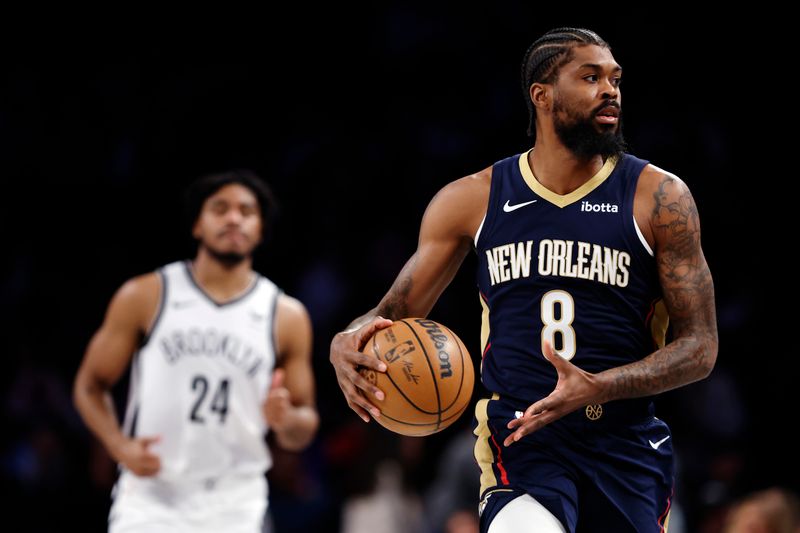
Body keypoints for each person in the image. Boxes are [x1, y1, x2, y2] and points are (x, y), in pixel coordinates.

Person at [330, 27, 718, 533]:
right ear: (542, 95)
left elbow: (700, 347)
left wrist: (598, 386)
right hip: (522, 440)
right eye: (590, 76)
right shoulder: (473, 199)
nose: (611, 90)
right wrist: (347, 338)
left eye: (616, 79)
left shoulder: (659, 197)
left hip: (625, 444)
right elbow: (391, 314)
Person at [73, 170, 319, 532]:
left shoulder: (285, 315)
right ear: (197, 226)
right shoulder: (147, 295)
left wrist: (286, 421)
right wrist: (118, 445)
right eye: (220, 209)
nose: (234, 217)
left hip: (236, 502)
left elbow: (305, 426)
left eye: (247, 211)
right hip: (151, 497)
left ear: (261, 230)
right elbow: (89, 385)